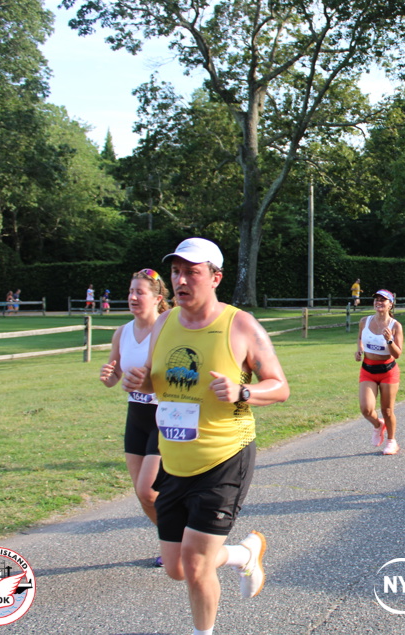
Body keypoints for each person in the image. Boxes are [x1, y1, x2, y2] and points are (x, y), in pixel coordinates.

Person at [122, 237, 291, 635]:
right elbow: (155, 377)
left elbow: (280, 386)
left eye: (191, 273)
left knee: (196, 565)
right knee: (177, 568)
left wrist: (242, 391)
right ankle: (243, 554)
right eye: (176, 272)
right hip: (174, 457)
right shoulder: (164, 323)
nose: (181, 280)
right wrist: (138, 379)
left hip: (224, 457)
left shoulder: (240, 325)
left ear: (215, 278)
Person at [100, 269, 171, 566]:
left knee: (148, 489)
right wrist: (108, 376)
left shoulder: (167, 330)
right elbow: (114, 376)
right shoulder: (122, 332)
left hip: (163, 415)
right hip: (136, 416)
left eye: (139, 292)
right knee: (143, 496)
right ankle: (174, 541)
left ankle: (178, 541)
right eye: (130, 291)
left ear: (157, 298)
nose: (132, 297)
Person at [355, 289, 404, 455]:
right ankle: (378, 425)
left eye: (383, 300)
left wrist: (389, 340)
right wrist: (359, 349)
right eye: (376, 299)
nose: (378, 302)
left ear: (391, 304)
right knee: (366, 409)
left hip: (388, 371)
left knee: (387, 410)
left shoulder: (395, 326)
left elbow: (397, 353)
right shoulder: (364, 321)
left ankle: (392, 441)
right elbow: (360, 338)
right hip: (368, 369)